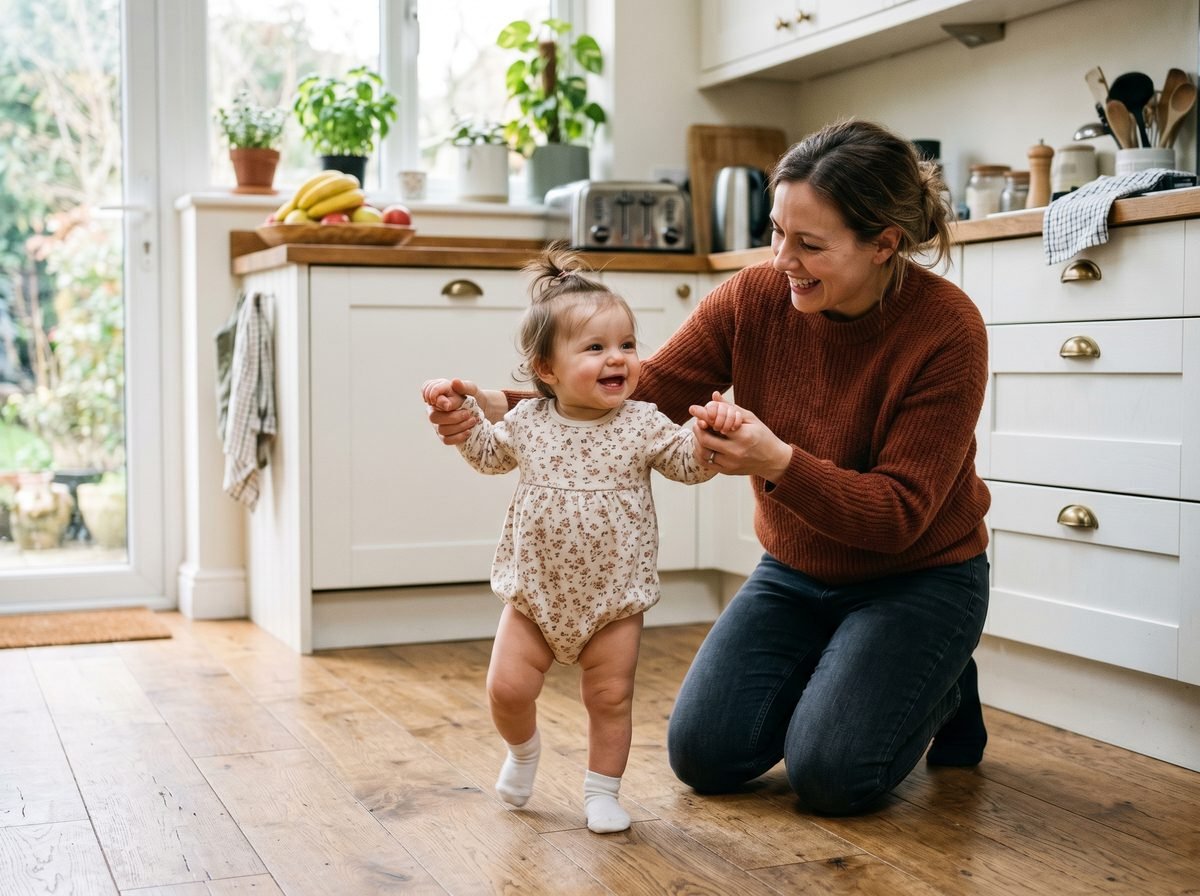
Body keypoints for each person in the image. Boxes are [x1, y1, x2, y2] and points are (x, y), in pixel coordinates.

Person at [424, 118, 991, 816]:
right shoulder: (754, 298)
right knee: (705, 757)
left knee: (833, 777)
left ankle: (942, 679)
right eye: (777, 230)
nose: (782, 257)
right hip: (797, 572)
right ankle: (853, 667)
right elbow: (645, 393)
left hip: (917, 578)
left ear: (884, 244)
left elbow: (899, 516)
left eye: (810, 245)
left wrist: (779, 461)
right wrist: (503, 404)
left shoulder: (947, 330)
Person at [420, 246, 740, 833]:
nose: (617, 358)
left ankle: (602, 792)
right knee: (507, 688)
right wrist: (465, 417)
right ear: (547, 370)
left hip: (613, 600)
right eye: (595, 348)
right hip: (534, 594)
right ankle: (522, 751)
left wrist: (709, 437)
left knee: (610, 699)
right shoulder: (528, 422)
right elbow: (490, 456)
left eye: (626, 345)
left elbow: (685, 465)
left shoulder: (643, 421)